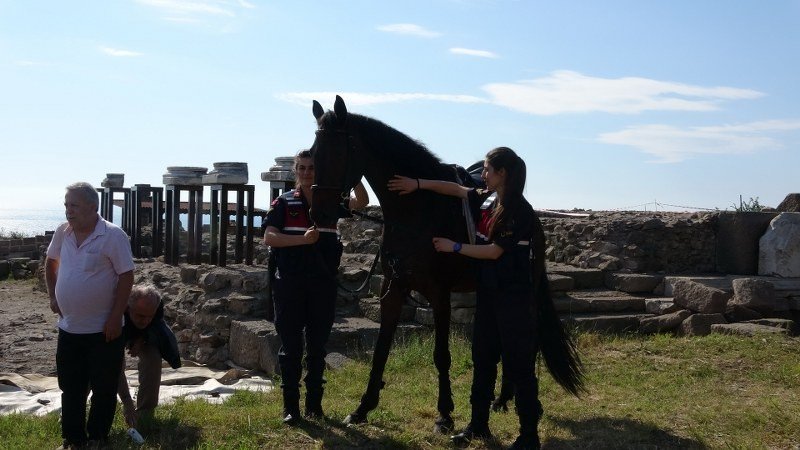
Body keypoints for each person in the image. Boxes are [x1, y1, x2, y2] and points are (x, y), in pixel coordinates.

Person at [388, 147, 545, 449]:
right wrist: (418, 183)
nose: (482, 174)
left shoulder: (518, 211)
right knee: (482, 359)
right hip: (488, 295)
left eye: (487, 169)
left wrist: (454, 247)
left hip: (513, 298)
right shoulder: (487, 199)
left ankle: (529, 436)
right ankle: (478, 425)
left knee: (518, 366)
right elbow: (456, 189)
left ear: (503, 174)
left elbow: (494, 251)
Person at [263, 149, 369, 424]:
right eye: (302, 168)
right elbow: (270, 238)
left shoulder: (331, 202)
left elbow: (362, 201)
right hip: (290, 284)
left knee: (317, 347)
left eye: (312, 168)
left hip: (322, 285)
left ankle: (314, 407)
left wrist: (354, 175)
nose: (307, 173)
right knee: (290, 347)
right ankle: (290, 409)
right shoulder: (284, 203)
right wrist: (302, 240)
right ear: (295, 172)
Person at [45, 182, 135, 449]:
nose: (68, 211)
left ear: (92, 207)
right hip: (69, 328)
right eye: (66, 205)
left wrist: (115, 317)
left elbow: (126, 276)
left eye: (74, 205)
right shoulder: (63, 233)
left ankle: (97, 438)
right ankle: (73, 439)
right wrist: (53, 296)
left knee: (104, 388)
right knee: (70, 388)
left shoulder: (112, 235)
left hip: (103, 329)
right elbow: (51, 261)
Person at [117, 284, 181, 429]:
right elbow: (116, 365)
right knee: (108, 363)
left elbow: (153, 327)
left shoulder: (156, 308)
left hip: (144, 335)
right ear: (128, 308)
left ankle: (145, 411)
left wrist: (142, 340)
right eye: (140, 315)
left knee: (153, 358)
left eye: (149, 316)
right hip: (117, 329)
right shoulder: (118, 308)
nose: (145, 320)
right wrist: (127, 402)